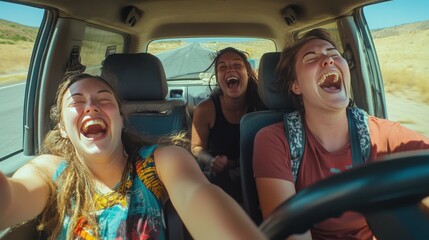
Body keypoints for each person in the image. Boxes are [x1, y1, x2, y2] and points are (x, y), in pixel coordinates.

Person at [0, 73, 266, 240]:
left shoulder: (160, 162)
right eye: (77, 102)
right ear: (62, 129)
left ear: (121, 119)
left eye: (104, 100)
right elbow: (11, 199)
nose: (91, 107)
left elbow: (197, 194)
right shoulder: (51, 173)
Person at [252, 28, 429, 240]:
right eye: (311, 57)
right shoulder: (274, 140)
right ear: (296, 86)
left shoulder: (381, 133)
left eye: (334, 54)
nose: (328, 59)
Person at [191, 47, 265, 203]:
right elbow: (196, 147)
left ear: (248, 72)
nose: (230, 70)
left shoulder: (263, 107)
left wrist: (235, 163)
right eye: (222, 67)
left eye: (237, 65)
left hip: (256, 174)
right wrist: (211, 160)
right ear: (218, 78)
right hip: (219, 179)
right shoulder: (205, 110)